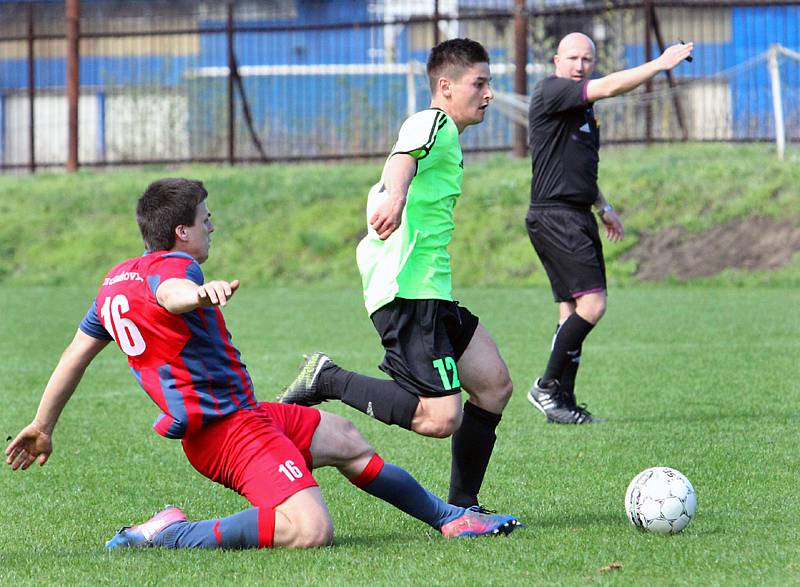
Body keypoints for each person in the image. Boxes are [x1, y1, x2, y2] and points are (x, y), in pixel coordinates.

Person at [4, 178, 519, 551]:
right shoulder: (177, 269)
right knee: (311, 529)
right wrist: (200, 293)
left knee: (344, 438)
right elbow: (172, 293)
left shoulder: (114, 283)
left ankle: (450, 519)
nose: (212, 226)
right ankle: (169, 533)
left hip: (237, 417)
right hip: (225, 432)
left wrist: (42, 426)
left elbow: (74, 357)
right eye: (206, 219)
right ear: (181, 231)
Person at [277, 38, 513, 511]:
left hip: (432, 292)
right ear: (445, 86)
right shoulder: (433, 121)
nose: (488, 94)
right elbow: (403, 157)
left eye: (490, 83)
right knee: (439, 417)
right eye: (479, 83)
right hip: (408, 292)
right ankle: (328, 378)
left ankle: (464, 504)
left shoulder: (447, 135)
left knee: (493, 385)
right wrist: (395, 196)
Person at [526, 33, 694, 424]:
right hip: (557, 216)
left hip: (575, 214)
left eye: (587, 59)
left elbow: (576, 167)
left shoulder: (584, 113)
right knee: (594, 305)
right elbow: (609, 86)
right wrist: (658, 64)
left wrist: (604, 206)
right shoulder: (553, 91)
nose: (579, 66)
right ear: (556, 61)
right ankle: (547, 386)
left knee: (570, 309)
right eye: (572, 58)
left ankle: (562, 403)